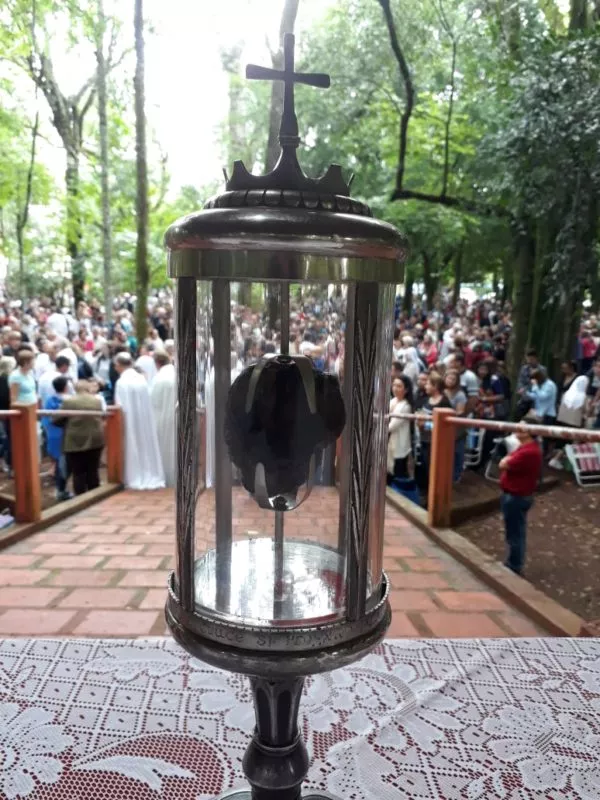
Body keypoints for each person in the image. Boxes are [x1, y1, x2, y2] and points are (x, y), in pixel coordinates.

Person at [114, 352, 165, 490]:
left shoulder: (121, 382)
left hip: (129, 421)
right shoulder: (141, 379)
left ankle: (134, 474)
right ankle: (148, 472)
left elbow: (119, 406)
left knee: (132, 444)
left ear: (119, 365)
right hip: (144, 420)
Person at [499, 427, 543, 575]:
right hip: (515, 494)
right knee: (516, 530)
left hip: (516, 496)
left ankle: (514, 565)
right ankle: (514, 562)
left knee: (515, 532)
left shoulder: (528, 452)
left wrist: (506, 460)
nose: (517, 429)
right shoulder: (525, 448)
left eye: (522, 427)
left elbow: (504, 464)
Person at [60, 381, 105, 495]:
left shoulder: (69, 401)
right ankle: (94, 494)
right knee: (93, 470)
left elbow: (57, 419)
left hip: (75, 440)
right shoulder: (97, 401)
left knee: (78, 471)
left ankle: (81, 496)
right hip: (96, 438)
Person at [415, 373, 451, 495]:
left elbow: (444, 425)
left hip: (436, 442)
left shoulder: (444, 402)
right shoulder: (427, 400)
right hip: (424, 439)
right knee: (424, 466)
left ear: (435, 386)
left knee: (433, 467)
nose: (425, 386)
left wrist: (425, 424)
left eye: (428, 384)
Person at [549, 375, 589, 470]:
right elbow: (586, 411)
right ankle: (557, 459)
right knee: (572, 443)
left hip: (562, 421)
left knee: (563, 442)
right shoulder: (583, 397)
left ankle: (557, 458)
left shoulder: (566, 394)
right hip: (575, 424)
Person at [42, 376, 71, 501]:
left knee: (60, 460)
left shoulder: (49, 400)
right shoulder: (68, 401)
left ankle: (60, 486)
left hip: (53, 433)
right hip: (64, 435)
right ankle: (61, 490)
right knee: (63, 461)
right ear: (65, 387)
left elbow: (46, 419)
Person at [151, 350, 176, 487]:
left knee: (164, 450)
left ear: (157, 363)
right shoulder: (177, 375)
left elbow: (152, 401)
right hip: (177, 418)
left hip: (161, 420)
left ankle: (167, 476)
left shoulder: (158, 378)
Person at [387, 375, 413, 481]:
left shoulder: (405, 406)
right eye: (394, 385)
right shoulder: (392, 401)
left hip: (399, 445)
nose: (395, 388)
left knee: (398, 474)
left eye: (399, 386)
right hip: (389, 443)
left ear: (406, 389)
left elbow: (391, 426)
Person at [444, 369, 467, 483]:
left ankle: (456, 475)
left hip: (457, 429)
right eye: (448, 378)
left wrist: (446, 414)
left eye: (453, 379)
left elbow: (461, 411)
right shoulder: (442, 391)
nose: (450, 380)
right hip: (444, 428)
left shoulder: (460, 394)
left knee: (457, 453)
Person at [0, 356, 15, 471]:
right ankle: (11, 465)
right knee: (9, 439)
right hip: (8, 414)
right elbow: (7, 398)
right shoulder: (8, 380)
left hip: (4, 413)